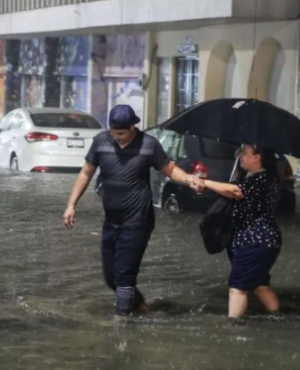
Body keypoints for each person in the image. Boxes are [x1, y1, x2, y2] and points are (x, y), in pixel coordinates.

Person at [63, 104, 205, 318]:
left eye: (121, 133)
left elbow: (170, 169)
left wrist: (188, 179)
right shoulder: (101, 142)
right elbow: (86, 173)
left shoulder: (149, 145)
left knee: (124, 275)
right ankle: (139, 304)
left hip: (138, 221)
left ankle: (121, 324)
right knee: (110, 277)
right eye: (113, 132)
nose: (117, 137)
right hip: (111, 221)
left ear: (133, 127)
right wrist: (71, 205)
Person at [202, 145, 282, 318]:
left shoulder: (262, 178)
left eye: (244, 153)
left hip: (255, 241)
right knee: (260, 285)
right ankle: (277, 318)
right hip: (258, 241)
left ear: (257, 157)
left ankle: (233, 330)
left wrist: (204, 182)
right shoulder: (252, 176)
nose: (240, 156)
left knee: (237, 288)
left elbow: (236, 192)